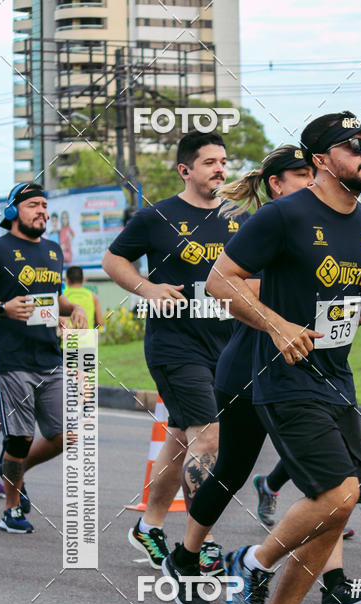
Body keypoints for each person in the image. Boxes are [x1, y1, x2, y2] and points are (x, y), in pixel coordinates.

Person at [204, 111, 361, 604]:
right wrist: (277, 324)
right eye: (355, 144)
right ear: (321, 159)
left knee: (336, 509)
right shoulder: (284, 215)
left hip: (337, 375)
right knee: (337, 493)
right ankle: (250, 566)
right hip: (283, 378)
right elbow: (218, 281)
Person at [162, 145, 361, 604]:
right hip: (250, 367)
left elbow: (347, 295)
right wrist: (284, 304)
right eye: (298, 175)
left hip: (308, 370)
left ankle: (334, 583)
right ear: (276, 184)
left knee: (330, 484)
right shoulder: (273, 226)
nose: (307, 182)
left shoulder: (339, 226)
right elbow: (234, 288)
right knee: (234, 467)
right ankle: (187, 553)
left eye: (310, 173)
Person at [103, 130, 249, 575]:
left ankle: (149, 526)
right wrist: (148, 288)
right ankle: (199, 544)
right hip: (174, 346)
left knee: (184, 435)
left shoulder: (238, 219)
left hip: (225, 345)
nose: (220, 168)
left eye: (223, 160)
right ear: (186, 170)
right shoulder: (157, 217)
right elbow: (114, 260)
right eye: (209, 162)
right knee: (209, 436)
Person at [0, 182, 87, 533]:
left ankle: (11, 472)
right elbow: (3, 303)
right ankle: (11, 510)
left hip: (50, 358)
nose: (43, 212)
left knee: (68, 434)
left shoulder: (52, 251)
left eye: (46, 206)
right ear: (14, 211)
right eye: (34, 205)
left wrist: (72, 307)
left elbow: (53, 295)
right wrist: (2, 307)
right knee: (19, 438)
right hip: (11, 359)